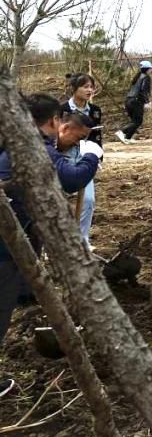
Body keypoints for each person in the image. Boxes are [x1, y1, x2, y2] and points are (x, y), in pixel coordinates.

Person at [1, 95, 101, 343]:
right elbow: (71, 180)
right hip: (5, 245)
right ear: (56, 120)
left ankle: (25, 292)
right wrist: (91, 156)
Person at [65, 73, 103, 246]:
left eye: (91, 87)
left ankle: (82, 240)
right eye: (85, 87)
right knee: (59, 200)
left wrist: (97, 157)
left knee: (88, 200)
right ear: (75, 89)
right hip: (64, 159)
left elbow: (96, 137)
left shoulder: (95, 111)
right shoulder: (63, 109)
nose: (89, 90)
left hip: (85, 159)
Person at [116, 60, 152, 143]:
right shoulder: (146, 77)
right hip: (136, 101)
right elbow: (144, 90)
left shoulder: (137, 76)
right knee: (138, 121)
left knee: (134, 121)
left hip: (129, 100)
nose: (151, 70)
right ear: (148, 69)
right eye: (151, 68)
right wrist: (147, 101)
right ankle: (122, 132)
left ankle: (128, 138)